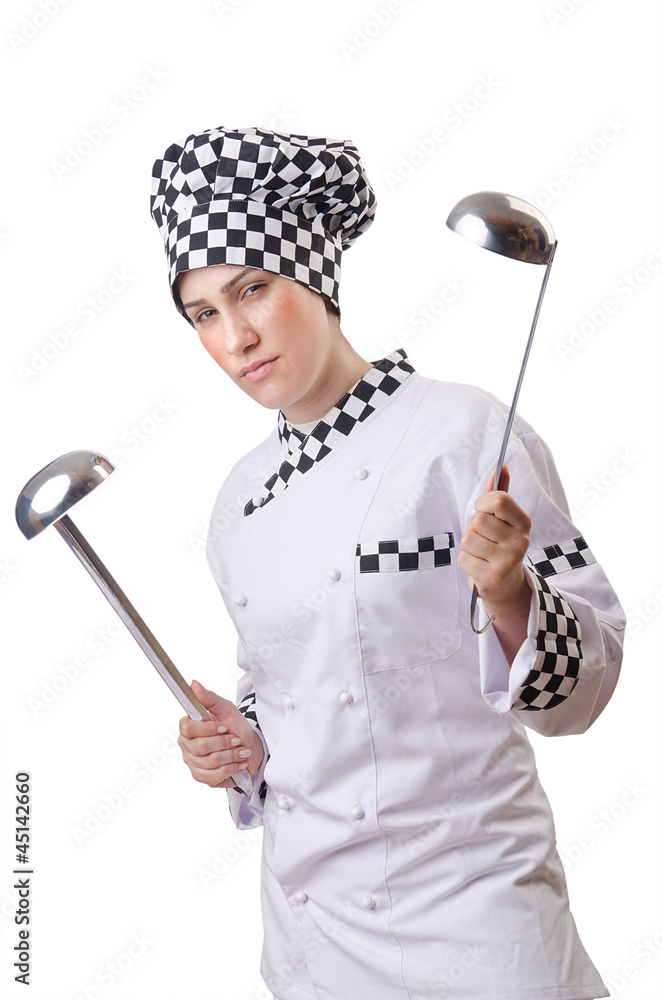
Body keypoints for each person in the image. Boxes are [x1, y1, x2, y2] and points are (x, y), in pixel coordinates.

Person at [151, 126, 625, 1000]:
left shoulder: (464, 432)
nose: (235, 337)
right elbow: (288, 683)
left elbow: (588, 692)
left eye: (253, 289)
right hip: (311, 941)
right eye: (204, 314)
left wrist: (513, 590)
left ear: (316, 279)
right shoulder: (236, 501)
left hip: (475, 924)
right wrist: (241, 741)